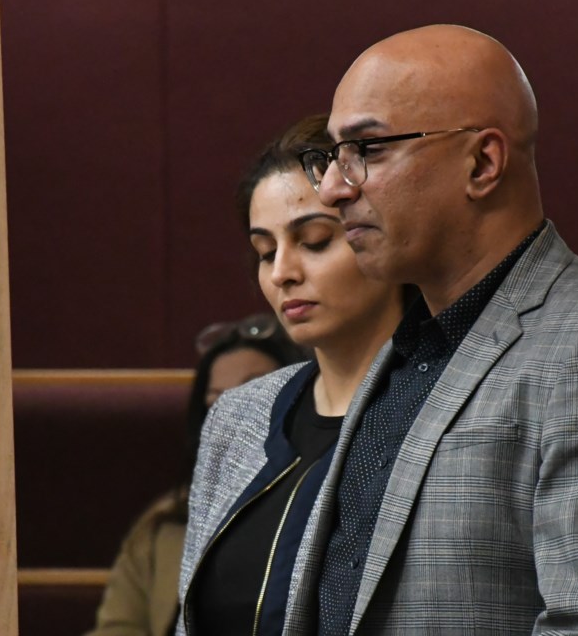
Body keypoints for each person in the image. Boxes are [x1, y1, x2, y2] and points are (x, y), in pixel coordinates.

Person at [284, 24, 578, 635]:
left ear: (483, 163)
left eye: (368, 150)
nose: (330, 188)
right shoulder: (410, 344)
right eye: (331, 154)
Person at [174, 113, 410, 636]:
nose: (282, 271)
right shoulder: (236, 417)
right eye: (265, 251)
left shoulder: (443, 405)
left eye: (315, 240)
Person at [85, 316, 307, 636]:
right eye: (217, 400)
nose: (235, 414)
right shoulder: (165, 521)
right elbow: (118, 628)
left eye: (255, 391)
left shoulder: (323, 501)